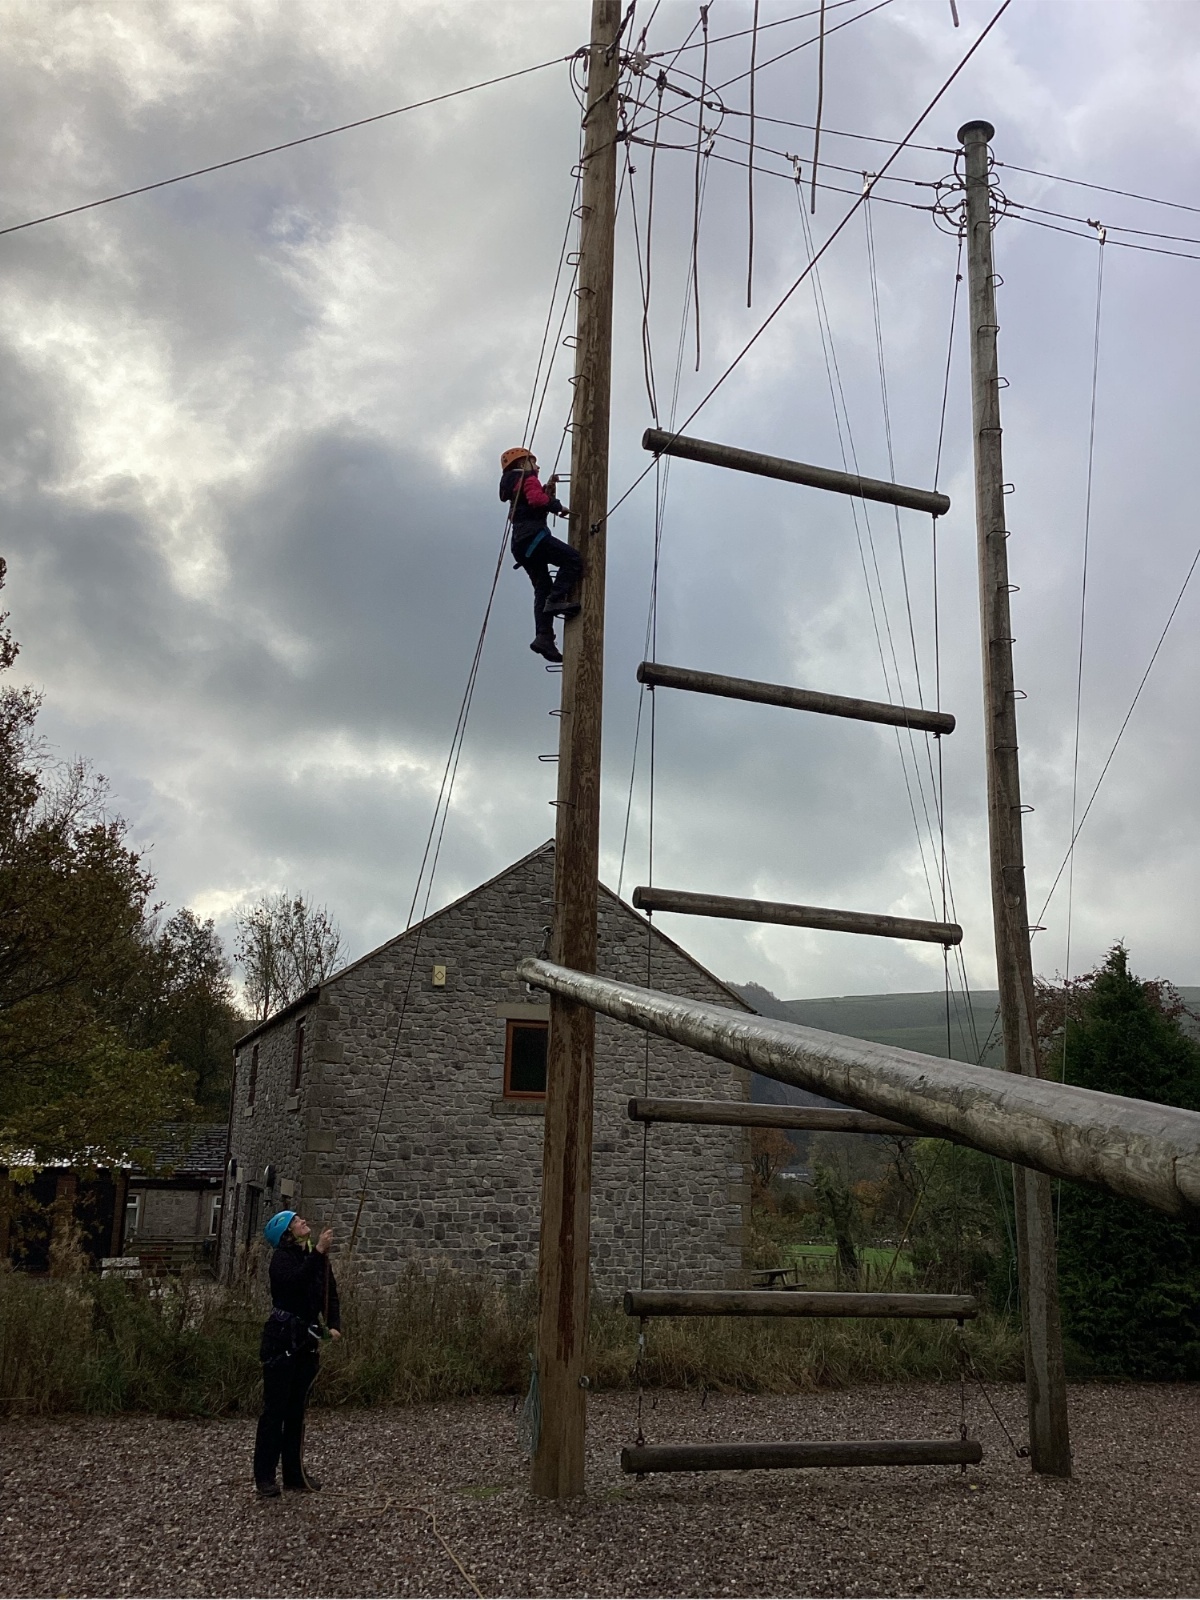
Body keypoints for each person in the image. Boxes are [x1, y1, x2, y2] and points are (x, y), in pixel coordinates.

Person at [253, 1209, 341, 1499]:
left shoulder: (314, 1256)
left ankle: (293, 1475)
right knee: (274, 1411)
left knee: (296, 1411)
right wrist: (318, 1252)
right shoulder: (282, 1259)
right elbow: (295, 1283)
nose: (303, 1221)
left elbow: (329, 1291)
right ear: (287, 1233)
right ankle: (265, 1477)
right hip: (281, 1340)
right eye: (296, 1221)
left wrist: (334, 1324)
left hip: (306, 1340)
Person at [499, 446, 583, 664]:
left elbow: (530, 502)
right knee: (572, 559)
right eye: (533, 462)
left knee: (542, 587)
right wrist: (556, 505)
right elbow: (536, 500)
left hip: (521, 546)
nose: (537, 466)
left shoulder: (514, 486)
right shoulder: (527, 478)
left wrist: (547, 491)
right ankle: (556, 599)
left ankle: (544, 637)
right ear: (522, 463)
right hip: (534, 538)